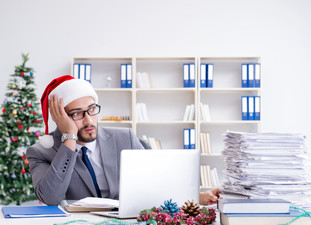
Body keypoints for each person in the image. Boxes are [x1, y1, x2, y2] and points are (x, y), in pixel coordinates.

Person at [26, 75, 221, 206]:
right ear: (60, 118)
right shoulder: (41, 152)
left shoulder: (124, 138)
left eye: (92, 109)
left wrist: (198, 198)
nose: (88, 120)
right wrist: (69, 138)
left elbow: (157, 182)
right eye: (77, 114)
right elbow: (51, 198)